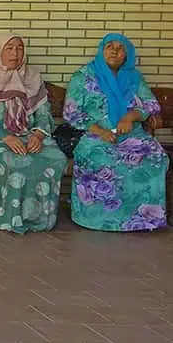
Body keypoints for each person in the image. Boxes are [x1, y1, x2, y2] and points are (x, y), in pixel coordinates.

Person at [63, 33, 168, 232]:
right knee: (101, 157)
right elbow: (71, 112)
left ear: (126, 55)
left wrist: (131, 116)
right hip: (95, 134)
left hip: (132, 134)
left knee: (154, 157)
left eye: (120, 48)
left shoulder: (134, 78)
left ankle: (142, 219)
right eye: (109, 46)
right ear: (101, 51)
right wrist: (100, 131)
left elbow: (151, 104)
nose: (114, 51)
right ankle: (96, 218)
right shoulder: (83, 76)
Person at [0, 34, 67, 233]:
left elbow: (43, 114)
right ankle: (9, 218)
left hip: (28, 134)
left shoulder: (33, 78)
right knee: (14, 160)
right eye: (9, 48)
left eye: (19, 48)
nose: (15, 53)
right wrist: (6, 137)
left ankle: (40, 219)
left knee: (55, 157)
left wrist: (38, 135)